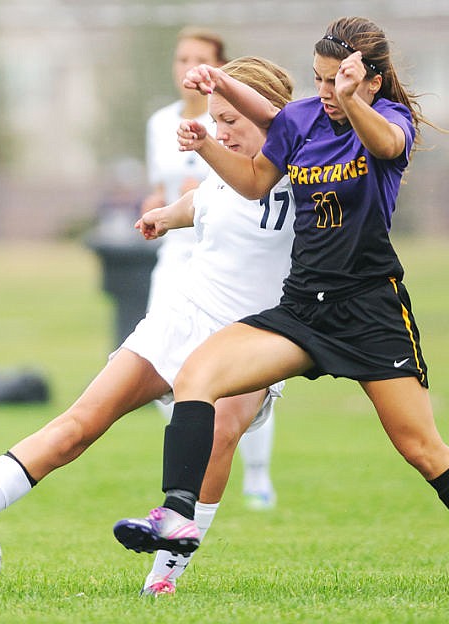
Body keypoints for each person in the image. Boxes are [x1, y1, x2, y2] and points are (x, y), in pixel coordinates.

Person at [113, 16, 449, 594]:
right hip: (301, 309)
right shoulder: (304, 119)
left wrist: (350, 97)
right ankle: (177, 513)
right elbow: (256, 180)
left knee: (421, 447)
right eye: (318, 80)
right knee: (197, 375)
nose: (326, 93)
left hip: (369, 310)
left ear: (372, 81)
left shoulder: (390, 121)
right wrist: (216, 98)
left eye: (337, 81)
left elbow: (385, 145)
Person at [0, 56, 296, 597]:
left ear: (266, 114)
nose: (222, 132)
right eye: (216, 120)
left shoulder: (308, 163)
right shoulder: (221, 164)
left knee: (220, 434)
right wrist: (168, 215)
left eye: (232, 120)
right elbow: (208, 198)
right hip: (182, 315)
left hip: (254, 335)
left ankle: (164, 580)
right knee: (77, 427)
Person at [144, 26, 278, 511]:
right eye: (181, 59)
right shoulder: (160, 123)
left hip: (232, 256)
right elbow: (162, 186)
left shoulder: (248, 120)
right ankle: (182, 482)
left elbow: (246, 185)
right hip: (178, 258)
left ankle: (256, 477)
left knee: (243, 380)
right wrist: (157, 207)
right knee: (172, 374)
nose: (187, 69)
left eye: (198, 60)